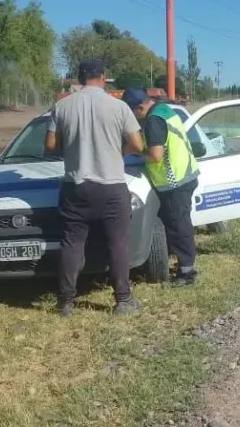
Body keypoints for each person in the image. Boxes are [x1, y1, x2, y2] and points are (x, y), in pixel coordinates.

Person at [45, 60, 145, 317]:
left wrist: (74, 147)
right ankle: (122, 300)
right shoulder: (119, 106)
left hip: (76, 186)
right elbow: (137, 144)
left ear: (79, 79)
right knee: (117, 243)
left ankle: (65, 302)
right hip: (111, 186)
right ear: (103, 77)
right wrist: (117, 151)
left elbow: (51, 145)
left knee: (72, 243)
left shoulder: (62, 106)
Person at [122, 87, 201, 287]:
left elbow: (156, 155)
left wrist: (138, 155)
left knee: (178, 225)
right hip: (185, 175)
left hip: (173, 181)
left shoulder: (153, 122)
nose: (133, 118)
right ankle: (185, 265)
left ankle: (186, 272)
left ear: (140, 107)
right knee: (179, 223)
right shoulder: (164, 110)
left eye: (132, 113)